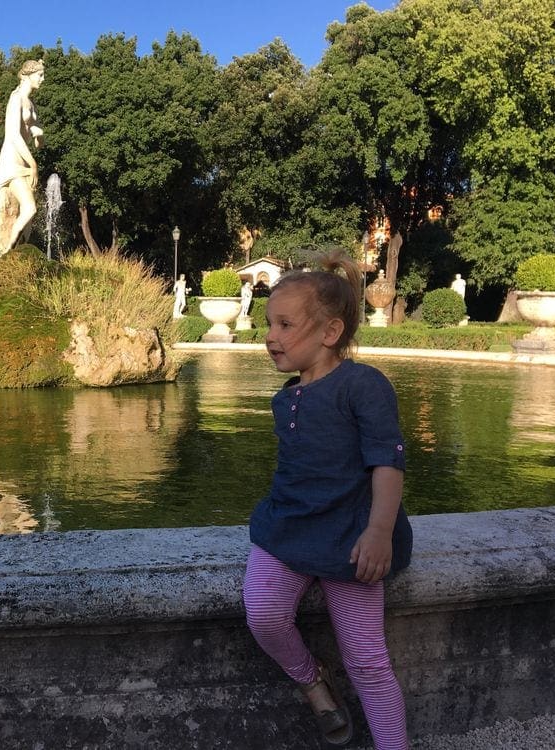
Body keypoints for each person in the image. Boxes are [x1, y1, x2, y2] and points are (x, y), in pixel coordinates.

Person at [243, 250, 412, 750]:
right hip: (291, 526)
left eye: (284, 324)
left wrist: (379, 531)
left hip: (350, 537)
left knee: (367, 660)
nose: (269, 336)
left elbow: (387, 461)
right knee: (264, 614)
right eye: (268, 323)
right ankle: (312, 680)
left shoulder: (363, 385)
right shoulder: (286, 397)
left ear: (329, 333)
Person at [0, 59, 45, 263]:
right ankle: (6, 254)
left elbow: (38, 143)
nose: (42, 79)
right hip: (12, 163)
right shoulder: (15, 99)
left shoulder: (31, 104)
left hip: (23, 163)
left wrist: (39, 135)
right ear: (27, 75)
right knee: (30, 208)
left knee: (27, 219)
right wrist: (33, 165)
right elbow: (13, 135)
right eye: (39, 75)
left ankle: (14, 252)